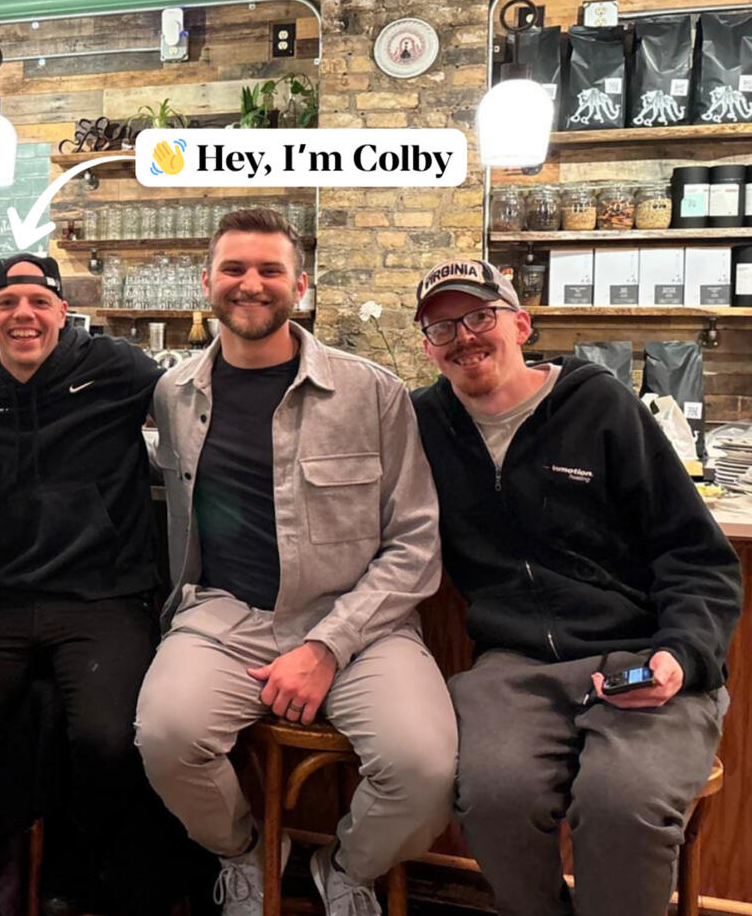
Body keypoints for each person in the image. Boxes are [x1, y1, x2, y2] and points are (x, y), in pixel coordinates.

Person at [135, 207, 455, 916]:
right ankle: (246, 853)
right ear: (206, 283)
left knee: (423, 769)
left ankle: (345, 865)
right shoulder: (175, 393)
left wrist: (328, 645)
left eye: (269, 270)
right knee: (165, 738)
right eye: (234, 268)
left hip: (361, 624)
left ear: (300, 286)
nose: (251, 284)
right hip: (223, 617)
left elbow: (415, 542)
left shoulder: (372, 392)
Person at [408, 258, 742, 916]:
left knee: (622, 806)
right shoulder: (421, 423)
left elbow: (696, 554)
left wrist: (681, 653)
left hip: (642, 653)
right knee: (493, 799)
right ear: (427, 348)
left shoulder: (600, 405)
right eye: (442, 327)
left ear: (520, 324)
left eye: (479, 316)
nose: (464, 337)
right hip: (514, 666)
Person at [0, 251, 165, 912]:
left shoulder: (117, 368)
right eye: (8, 303)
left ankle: (79, 874)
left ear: (63, 312)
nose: (25, 315)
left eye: (39, 301)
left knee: (107, 740)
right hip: (10, 603)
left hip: (105, 598)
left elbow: (195, 407)